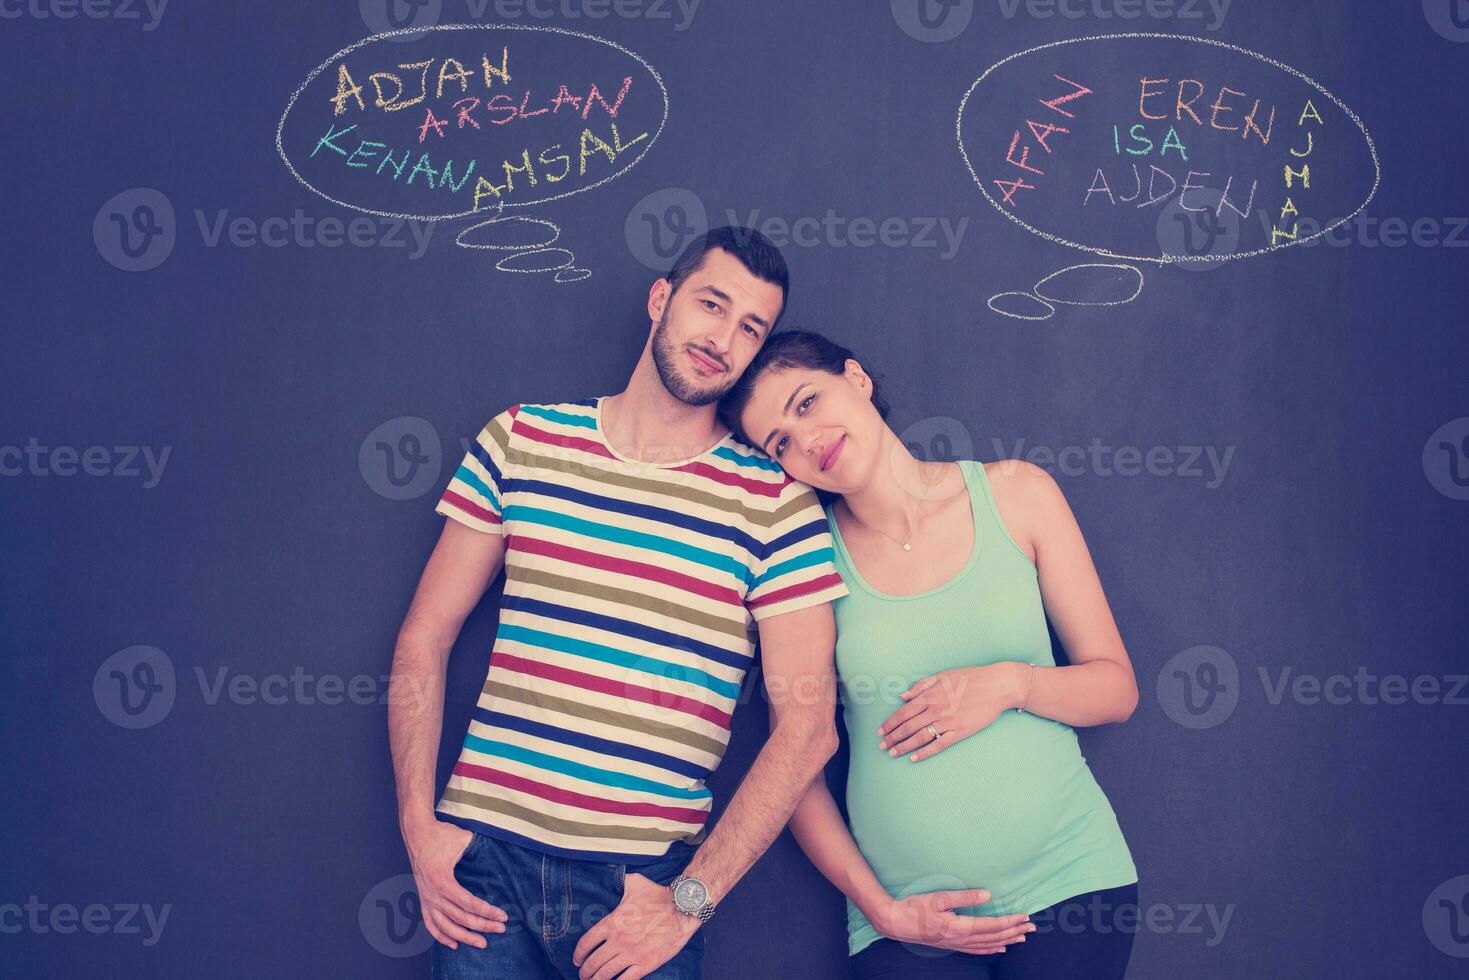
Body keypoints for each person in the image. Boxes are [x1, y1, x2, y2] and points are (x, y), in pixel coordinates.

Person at [386, 230, 1029, 980]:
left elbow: (807, 728)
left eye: (749, 328)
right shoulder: (523, 439)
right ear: (661, 300)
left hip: (636, 890)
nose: (722, 339)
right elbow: (424, 637)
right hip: (482, 871)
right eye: (711, 305)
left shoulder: (774, 502)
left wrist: (688, 900)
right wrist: (418, 829)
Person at [717, 330, 1141, 980]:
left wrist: (1008, 684)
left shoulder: (1016, 495)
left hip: (1069, 883)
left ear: (855, 379)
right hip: (907, 923)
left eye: (805, 404)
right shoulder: (803, 564)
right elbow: (792, 772)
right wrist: (880, 909)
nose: (805, 441)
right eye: (779, 442)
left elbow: (1115, 691)